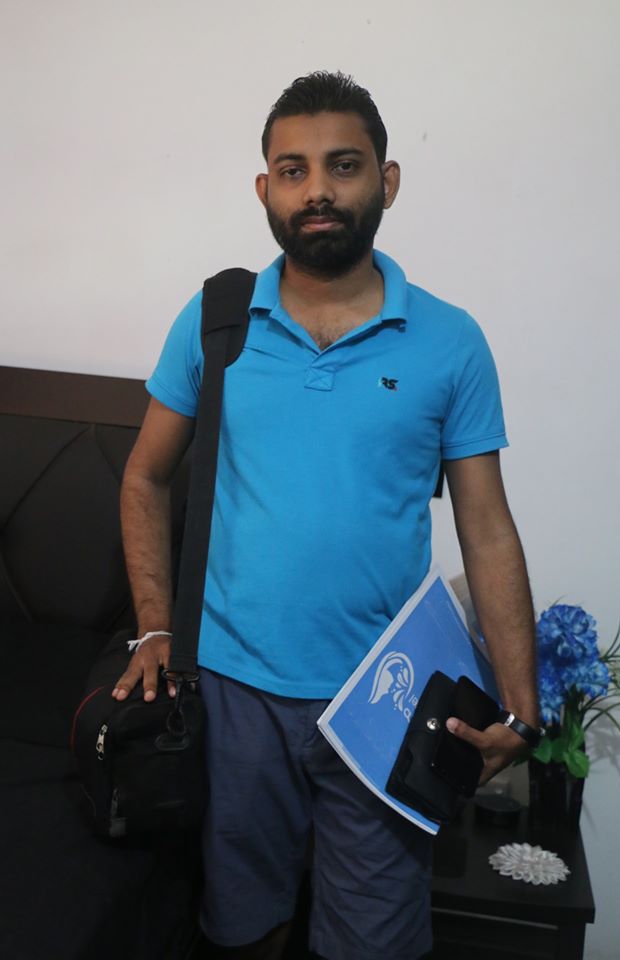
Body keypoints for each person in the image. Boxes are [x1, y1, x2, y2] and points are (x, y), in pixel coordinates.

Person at [113, 71, 540, 960]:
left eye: (343, 166)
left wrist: (523, 707)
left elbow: (487, 529)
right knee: (243, 930)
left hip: (387, 700)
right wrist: (153, 627)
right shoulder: (217, 323)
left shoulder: (450, 341)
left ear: (387, 180)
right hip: (234, 693)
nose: (317, 190)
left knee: (374, 943)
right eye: (293, 169)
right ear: (265, 189)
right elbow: (145, 477)